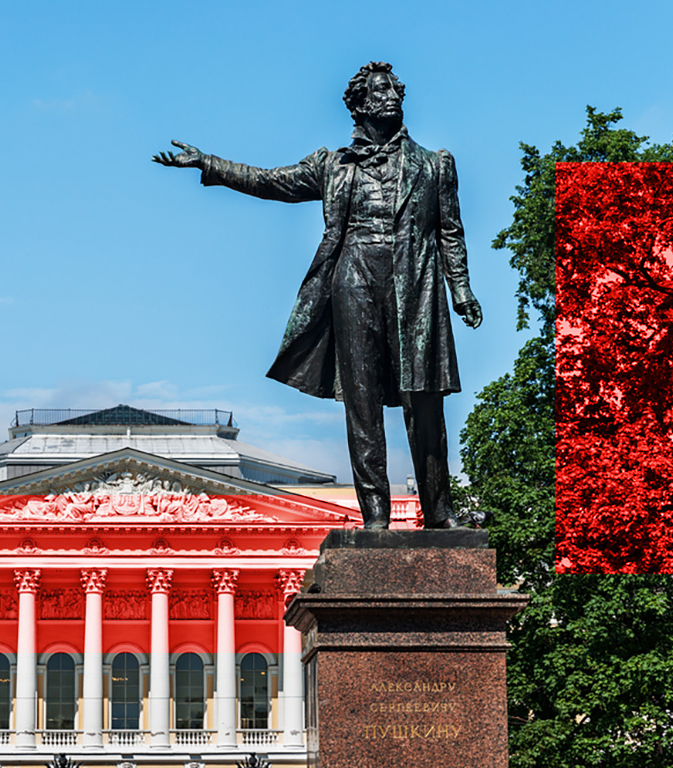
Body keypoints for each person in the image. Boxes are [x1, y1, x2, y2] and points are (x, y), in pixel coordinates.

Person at [153, 62, 481, 529]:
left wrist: (462, 289)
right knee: (361, 402)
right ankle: (375, 517)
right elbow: (271, 181)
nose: (391, 96)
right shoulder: (332, 166)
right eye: (380, 90)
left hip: (417, 284)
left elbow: (451, 231)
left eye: (395, 89)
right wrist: (210, 164)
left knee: (424, 400)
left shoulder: (435, 164)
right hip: (354, 278)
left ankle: (440, 512)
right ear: (359, 104)